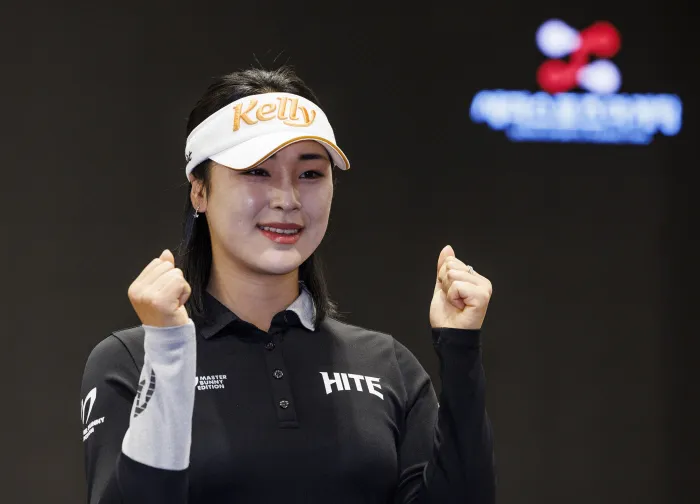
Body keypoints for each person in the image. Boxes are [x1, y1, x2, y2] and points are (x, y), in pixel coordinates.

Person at [80, 66, 496, 504]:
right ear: (199, 190)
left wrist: (460, 349)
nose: (288, 199)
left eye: (310, 174)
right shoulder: (130, 361)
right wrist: (167, 355)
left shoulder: (387, 365)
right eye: (257, 172)